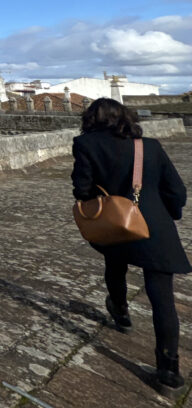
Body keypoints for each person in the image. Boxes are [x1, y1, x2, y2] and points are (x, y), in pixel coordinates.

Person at [71, 97, 190, 396]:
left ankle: (121, 313)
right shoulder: (149, 146)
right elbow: (176, 191)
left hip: (115, 224)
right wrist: (167, 215)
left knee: (115, 265)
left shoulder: (86, 145)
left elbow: (81, 190)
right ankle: (168, 372)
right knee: (162, 298)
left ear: (91, 119)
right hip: (154, 227)